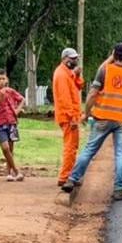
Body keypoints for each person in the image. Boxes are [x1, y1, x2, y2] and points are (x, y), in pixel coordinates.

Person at [61, 43, 122, 201]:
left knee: (89, 150)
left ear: (114, 55)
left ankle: (72, 179)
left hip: (102, 117)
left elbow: (92, 93)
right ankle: (120, 189)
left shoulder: (105, 70)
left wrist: (86, 112)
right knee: (121, 154)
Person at [52, 47, 84, 187]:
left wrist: (76, 75)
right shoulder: (61, 74)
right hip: (68, 117)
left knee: (73, 146)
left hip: (72, 116)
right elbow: (64, 99)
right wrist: (71, 118)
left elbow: (79, 86)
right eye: (71, 58)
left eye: (75, 58)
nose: (74, 61)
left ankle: (69, 175)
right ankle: (65, 177)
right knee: (70, 147)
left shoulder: (68, 73)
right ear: (64, 59)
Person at [0, 70, 26, 181]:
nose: (1, 81)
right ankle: (16, 171)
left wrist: (17, 110)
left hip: (12, 122)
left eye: (3, 78)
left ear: (7, 80)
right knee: (5, 148)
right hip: (0, 123)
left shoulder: (11, 91)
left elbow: (22, 99)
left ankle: (9, 173)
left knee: (11, 148)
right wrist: (0, 96)